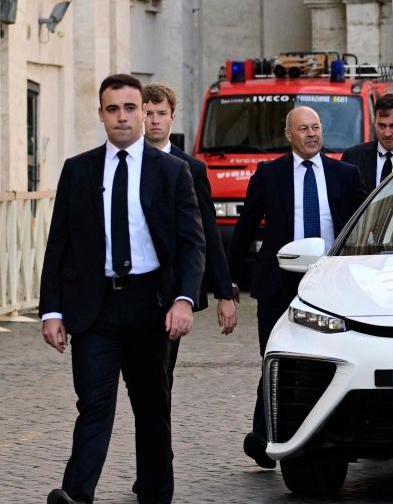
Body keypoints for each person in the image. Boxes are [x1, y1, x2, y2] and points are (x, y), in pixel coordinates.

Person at [40, 74, 206, 504]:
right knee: (93, 404)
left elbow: (192, 244)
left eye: (130, 108)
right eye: (112, 109)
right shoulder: (78, 170)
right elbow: (59, 244)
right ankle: (77, 495)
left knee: (152, 408)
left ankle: (154, 493)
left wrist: (184, 299)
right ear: (101, 114)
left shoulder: (172, 171)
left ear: (143, 112)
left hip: (149, 305)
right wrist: (51, 311)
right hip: (93, 309)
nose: (123, 117)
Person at [227, 106, 368, 470]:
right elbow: (245, 228)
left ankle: (272, 436)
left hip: (331, 284)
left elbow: (367, 225)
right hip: (278, 283)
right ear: (288, 135)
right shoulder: (268, 174)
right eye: (303, 128)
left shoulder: (345, 174)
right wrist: (227, 281)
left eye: (316, 127)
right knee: (274, 357)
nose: (311, 134)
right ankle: (266, 435)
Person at [142, 83, 237, 387]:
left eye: (162, 113)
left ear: (172, 118)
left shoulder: (192, 168)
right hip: (133, 285)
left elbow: (207, 231)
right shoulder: (126, 164)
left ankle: (157, 431)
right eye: (149, 113)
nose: (155, 120)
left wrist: (224, 292)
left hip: (174, 286)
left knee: (161, 371)